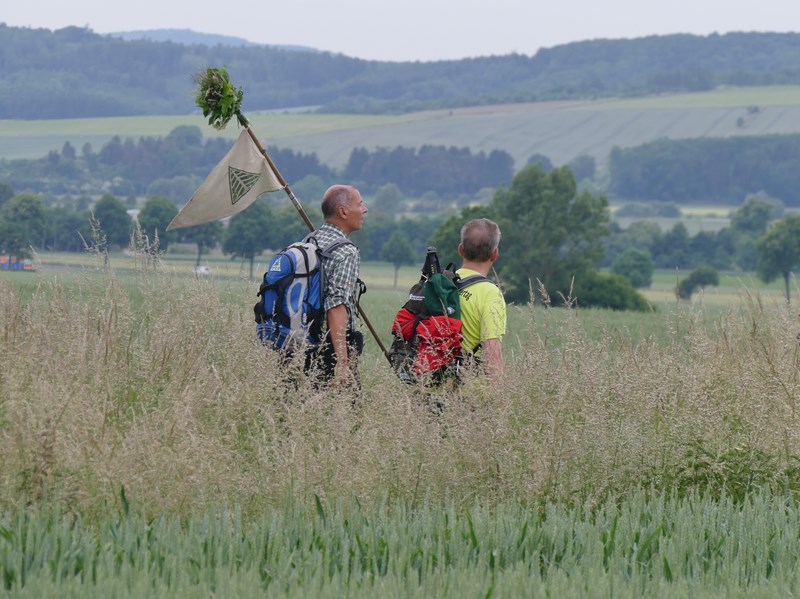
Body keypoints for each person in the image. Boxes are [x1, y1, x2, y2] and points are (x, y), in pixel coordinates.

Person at [310, 184, 368, 387]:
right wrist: (342, 364)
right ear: (343, 211)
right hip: (328, 349)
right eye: (360, 204)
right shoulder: (346, 251)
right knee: (346, 407)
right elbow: (336, 306)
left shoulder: (309, 240)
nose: (365, 210)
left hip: (300, 344)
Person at [456, 218, 506, 379]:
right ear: (495, 254)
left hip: (427, 383)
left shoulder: (443, 283)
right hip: (467, 389)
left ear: (461, 249)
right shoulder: (490, 293)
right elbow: (492, 353)